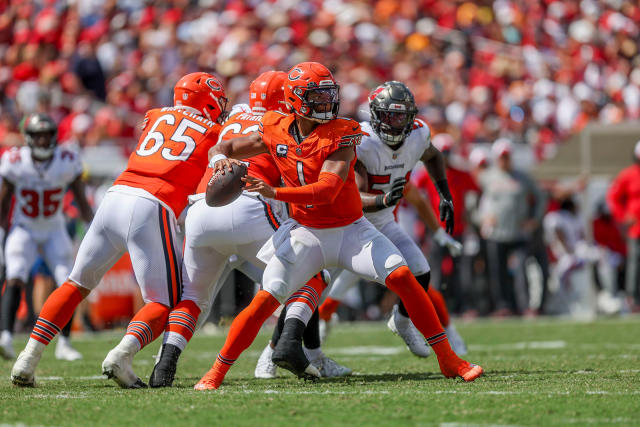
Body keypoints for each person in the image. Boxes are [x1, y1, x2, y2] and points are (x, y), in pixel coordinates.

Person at [194, 62, 483, 390]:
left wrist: (275, 192)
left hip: (350, 230)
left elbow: (328, 189)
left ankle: (448, 358)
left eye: (329, 94)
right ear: (295, 99)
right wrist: (220, 162)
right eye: (317, 96)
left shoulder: (342, 132)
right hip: (306, 232)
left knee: (403, 275)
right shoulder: (275, 126)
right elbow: (226, 146)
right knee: (266, 298)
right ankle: (216, 372)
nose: (326, 102)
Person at [11, 72, 232, 388]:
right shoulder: (214, 131)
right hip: (152, 203)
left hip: (115, 195)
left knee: (76, 283)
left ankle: (28, 358)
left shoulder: (155, 115)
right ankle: (122, 354)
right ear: (208, 100)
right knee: (162, 302)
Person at [149, 71, 349, 387]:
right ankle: (286, 347)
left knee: (193, 297)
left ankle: (165, 366)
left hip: (202, 207)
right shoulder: (286, 124)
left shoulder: (235, 115)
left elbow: (219, 147)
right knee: (312, 276)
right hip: (252, 206)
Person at [314, 83, 466, 357]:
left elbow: (433, 156)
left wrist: (445, 195)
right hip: (344, 225)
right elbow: (350, 195)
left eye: (401, 116)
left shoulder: (418, 136)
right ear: (374, 115)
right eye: (388, 116)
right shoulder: (361, 141)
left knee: (420, 271)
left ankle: (403, 320)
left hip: (382, 223)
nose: (395, 123)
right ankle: (282, 348)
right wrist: (382, 200)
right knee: (313, 287)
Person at [0, 114, 93, 361]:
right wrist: (2, 230)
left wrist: (91, 224)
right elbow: (4, 199)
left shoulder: (67, 159)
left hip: (54, 227)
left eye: (47, 135)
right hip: (24, 227)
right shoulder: (15, 159)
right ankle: (6, 337)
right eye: (38, 135)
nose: (43, 140)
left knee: (67, 281)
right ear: (29, 138)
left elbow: (81, 199)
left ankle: (64, 342)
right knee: (15, 274)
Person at [478, 138, 546, 315]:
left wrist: (534, 219)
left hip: (518, 233)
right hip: (496, 233)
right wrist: (482, 218)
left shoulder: (522, 177)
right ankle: (503, 306)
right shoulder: (486, 177)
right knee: (497, 272)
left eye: (507, 156)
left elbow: (541, 197)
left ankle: (525, 306)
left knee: (522, 269)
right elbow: (474, 201)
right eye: (501, 157)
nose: (504, 160)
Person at [416, 133, 479, 315]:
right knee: (435, 272)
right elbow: (413, 193)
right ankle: (435, 309)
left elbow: (477, 191)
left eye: (447, 152)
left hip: (458, 230)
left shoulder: (461, 173)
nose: (445, 157)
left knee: (462, 273)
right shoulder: (426, 174)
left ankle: (464, 306)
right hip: (436, 230)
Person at [607, 140, 640, 312]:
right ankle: (634, 299)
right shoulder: (628, 175)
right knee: (635, 263)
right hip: (636, 228)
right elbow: (613, 198)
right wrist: (622, 217)